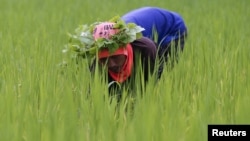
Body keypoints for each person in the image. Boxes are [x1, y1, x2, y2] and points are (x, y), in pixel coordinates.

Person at [122, 7, 188, 77]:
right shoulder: (114, 35)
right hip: (152, 20)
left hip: (173, 28)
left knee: (157, 72)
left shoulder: (140, 41)